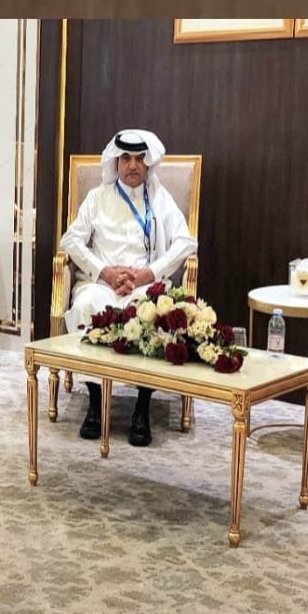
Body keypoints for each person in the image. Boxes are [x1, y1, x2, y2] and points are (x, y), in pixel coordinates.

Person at [58, 129, 197, 446]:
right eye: (125, 158)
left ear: (148, 163)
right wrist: (103, 271)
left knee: (151, 312)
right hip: (102, 283)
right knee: (86, 306)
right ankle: (95, 404)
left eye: (138, 159)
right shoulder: (97, 197)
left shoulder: (160, 198)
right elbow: (71, 241)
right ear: (116, 162)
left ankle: (141, 409)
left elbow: (186, 243)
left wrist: (150, 273)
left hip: (143, 285)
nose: (133, 165)